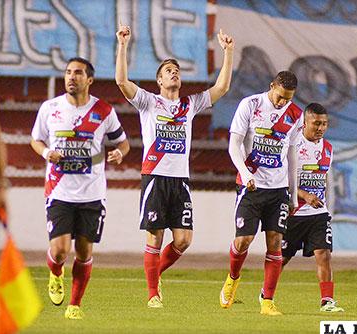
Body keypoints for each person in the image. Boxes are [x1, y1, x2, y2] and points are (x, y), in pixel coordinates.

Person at [115, 24, 234, 308]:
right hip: (155, 176)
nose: (174, 72)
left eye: (176, 70)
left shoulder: (189, 105)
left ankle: (156, 275)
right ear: (158, 80)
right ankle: (153, 294)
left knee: (183, 240)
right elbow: (122, 82)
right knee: (154, 238)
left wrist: (228, 52)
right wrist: (122, 45)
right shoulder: (148, 102)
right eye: (168, 70)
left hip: (180, 180)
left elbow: (222, 87)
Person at [30, 57, 130, 320]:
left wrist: (119, 153)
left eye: (78, 73)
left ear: (90, 80)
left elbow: (123, 143)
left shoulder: (104, 111)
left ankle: (74, 304)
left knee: (84, 251)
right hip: (59, 191)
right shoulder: (50, 108)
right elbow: (35, 140)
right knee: (61, 249)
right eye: (68, 72)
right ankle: (55, 273)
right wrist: (47, 153)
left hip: (92, 193)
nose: (71, 77)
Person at [219, 71, 303, 316]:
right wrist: (245, 174)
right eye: (279, 97)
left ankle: (267, 301)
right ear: (271, 87)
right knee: (243, 240)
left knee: (275, 243)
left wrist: (293, 194)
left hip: (278, 190)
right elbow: (234, 144)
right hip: (251, 186)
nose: (282, 103)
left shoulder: (295, 115)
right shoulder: (251, 105)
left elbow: (292, 155)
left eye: (287, 99)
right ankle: (233, 278)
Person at [278, 102, 344, 312]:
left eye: (324, 124)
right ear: (305, 122)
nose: (321, 128)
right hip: (295, 212)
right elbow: (283, 178)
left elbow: (322, 179)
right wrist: (304, 195)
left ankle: (327, 301)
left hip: (318, 214)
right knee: (282, 258)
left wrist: (322, 203)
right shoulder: (292, 146)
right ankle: (266, 293)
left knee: (323, 254)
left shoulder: (328, 148)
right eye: (316, 123)